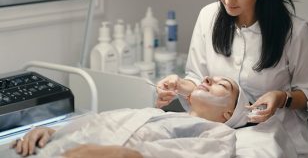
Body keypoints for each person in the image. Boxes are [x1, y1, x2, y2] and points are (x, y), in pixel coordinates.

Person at [156, 0, 308, 157]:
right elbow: (198, 77)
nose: (228, 0)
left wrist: (282, 98)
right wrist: (178, 85)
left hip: (275, 137)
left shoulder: (294, 31)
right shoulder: (208, 17)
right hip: (218, 132)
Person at [9, 76, 250, 158]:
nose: (208, 79)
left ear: (228, 113)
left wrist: (121, 154)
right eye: (209, 77)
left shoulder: (221, 133)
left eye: (223, 85)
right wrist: (52, 133)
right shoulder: (151, 113)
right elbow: (99, 123)